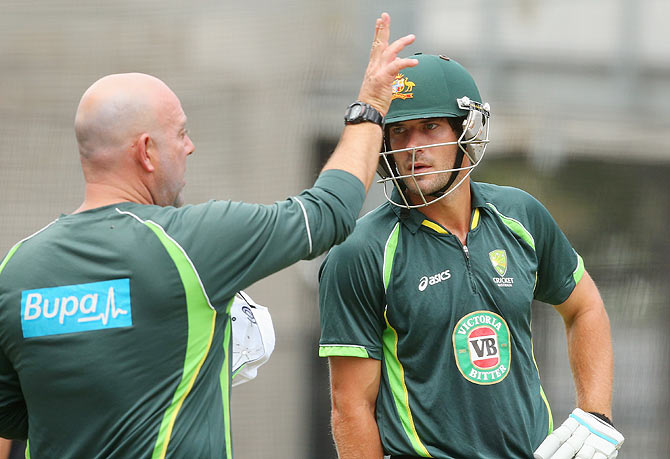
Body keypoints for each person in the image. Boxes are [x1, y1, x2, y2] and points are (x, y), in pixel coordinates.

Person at [0, 13, 418, 458]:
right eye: (180, 133)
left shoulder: (16, 268)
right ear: (146, 151)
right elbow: (329, 211)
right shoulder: (191, 243)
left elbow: (14, 415)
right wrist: (370, 105)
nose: (190, 146)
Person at [318, 54, 624, 458]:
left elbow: (584, 307)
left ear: (467, 129)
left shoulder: (521, 215)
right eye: (400, 132)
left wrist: (596, 415)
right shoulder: (359, 252)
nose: (413, 148)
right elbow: (350, 406)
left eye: (430, 127)